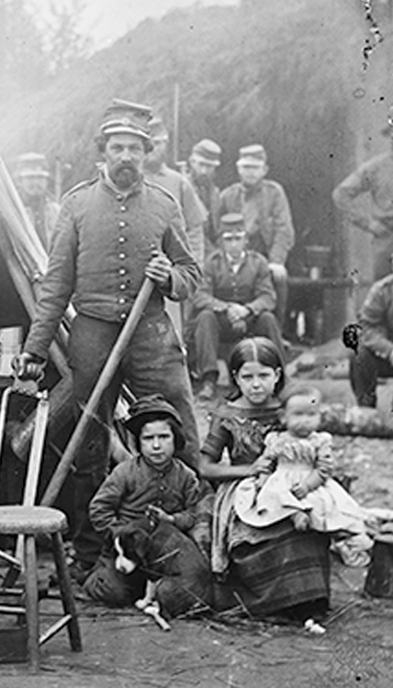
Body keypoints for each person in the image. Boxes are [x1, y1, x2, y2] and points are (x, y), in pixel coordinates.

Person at [17, 98, 201, 583]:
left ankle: (188, 541)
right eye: (117, 147)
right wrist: (35, 350)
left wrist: (169, 278)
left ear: (146, 153)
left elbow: (191, 273)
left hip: (151, 330)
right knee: (88, 441)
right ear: (103, 152)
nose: (126, 156)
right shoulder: (76, 205)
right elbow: (55, 286)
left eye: (134, 149)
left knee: (177, 422)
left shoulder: (165, 204)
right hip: (93, 332)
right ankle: (89, 551)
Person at [198, 337, 331, 623]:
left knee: (304, 526)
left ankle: (308, 602)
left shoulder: (288, 408)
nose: (256, 384)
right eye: (247, 377)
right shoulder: (227, 414)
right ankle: (270, 604)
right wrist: (247, 471)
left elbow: (312, 445)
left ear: (277, 375)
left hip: (291, 482)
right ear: (235, 377)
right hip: (244, 489)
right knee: (262, 533)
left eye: (263, 375)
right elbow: (205, 467)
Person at [233, 383, 373, 566]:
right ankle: (294, 514)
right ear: (284, 417)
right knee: (271, 495)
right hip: (282, 479)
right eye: (298, 414)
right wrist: (263, 478)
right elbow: (267, 462)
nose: (305, 420)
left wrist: (308, 485)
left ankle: (330, 531)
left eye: (311, 414)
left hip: (309, 480)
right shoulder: (277, 439)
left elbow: (324, 469)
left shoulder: (319, 440)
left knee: (323, 504)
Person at [84, 394, 202, 605]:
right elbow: (99, 507)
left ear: (176, 438)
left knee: (184, 592)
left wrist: (173, 520)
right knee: (115, 593)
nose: (156, 446)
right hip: (127, 551)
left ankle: (149, 590)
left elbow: (193, 514)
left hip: (164, 553)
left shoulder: (186, 476)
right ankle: (96, 576)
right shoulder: (125, 472)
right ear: (138, 442)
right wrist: (120, 533)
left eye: (164, 437)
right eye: (148, 439)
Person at [190, 213, 286, 400]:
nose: (233, 244)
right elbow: (200, 296)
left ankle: (280, 379)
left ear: (246, 240)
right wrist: (227, 308)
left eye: (238, 238)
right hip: (222, 319)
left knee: (268, 318)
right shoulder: (212, 263)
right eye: (228, 239)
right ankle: (209, 380)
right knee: (205, 317)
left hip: (250, 319)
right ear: (221, 242)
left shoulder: (258, 262)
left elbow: (267, 297)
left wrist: (247, 310)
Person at [217, 144, 295, 323]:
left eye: (255, 168)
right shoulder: (227, 196)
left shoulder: (274, 193)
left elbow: (284, 229)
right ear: (238, 168)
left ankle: (276, 330)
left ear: (264, 170)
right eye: (246, 167)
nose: (250, 172)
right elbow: (216, 231)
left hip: (265, 257)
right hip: (234, 256)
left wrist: (277, 261)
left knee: (278, 279)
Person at [332, 123, 393, 281]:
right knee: (384, 294)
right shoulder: (376, 167)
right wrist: (368, 223)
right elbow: (341, 195)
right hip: (387, 240)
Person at [144, 118, 207, 265]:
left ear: (166, 144)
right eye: (148, 143)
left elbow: (194, 230)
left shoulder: (179, 183)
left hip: (171, 270)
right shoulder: (126, 181)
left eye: (158, 143)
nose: (153, 148)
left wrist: (193, 268)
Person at [347, 265, 393, 407]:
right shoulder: (383, 290)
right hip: (390, 356)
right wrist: (389, 350)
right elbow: (366, 327)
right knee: (360, 355)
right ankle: (367, 412)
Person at [12, 152, 60, 249]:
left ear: (46, 181)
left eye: (40, 178)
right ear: (19, 181)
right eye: (30, 178)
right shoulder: (12, 211)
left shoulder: (56, 212)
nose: (36, 183)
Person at [186, 138, 223, 256]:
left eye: (209, 166)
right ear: (192, 162)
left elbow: (215, 231)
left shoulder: (215, 193)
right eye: (201, 164)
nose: (204, 171)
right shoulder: (182, 189)